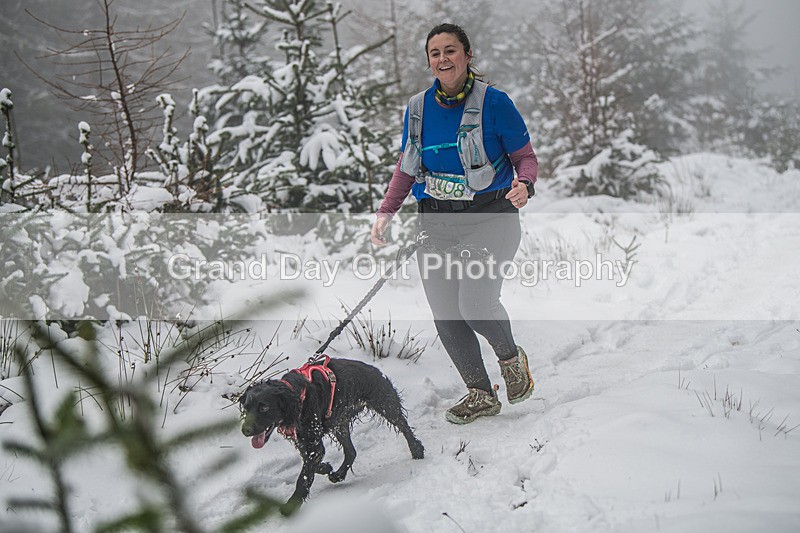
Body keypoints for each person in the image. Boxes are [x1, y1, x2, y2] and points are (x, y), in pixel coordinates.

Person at [370, 23, 538, 424]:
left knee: (475, 304)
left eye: (450, 50)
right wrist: (386, 211)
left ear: (466, 54)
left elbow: (525, 157)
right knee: (447, 313)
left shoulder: (495, 103)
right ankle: (480, 393)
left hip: (490, 219)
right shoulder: (417, 108)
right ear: (428, 61)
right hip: (436, 225)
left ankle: (511, 359)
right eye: (435, 53)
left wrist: (525, 185)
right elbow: (406, 168)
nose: (442, 59)